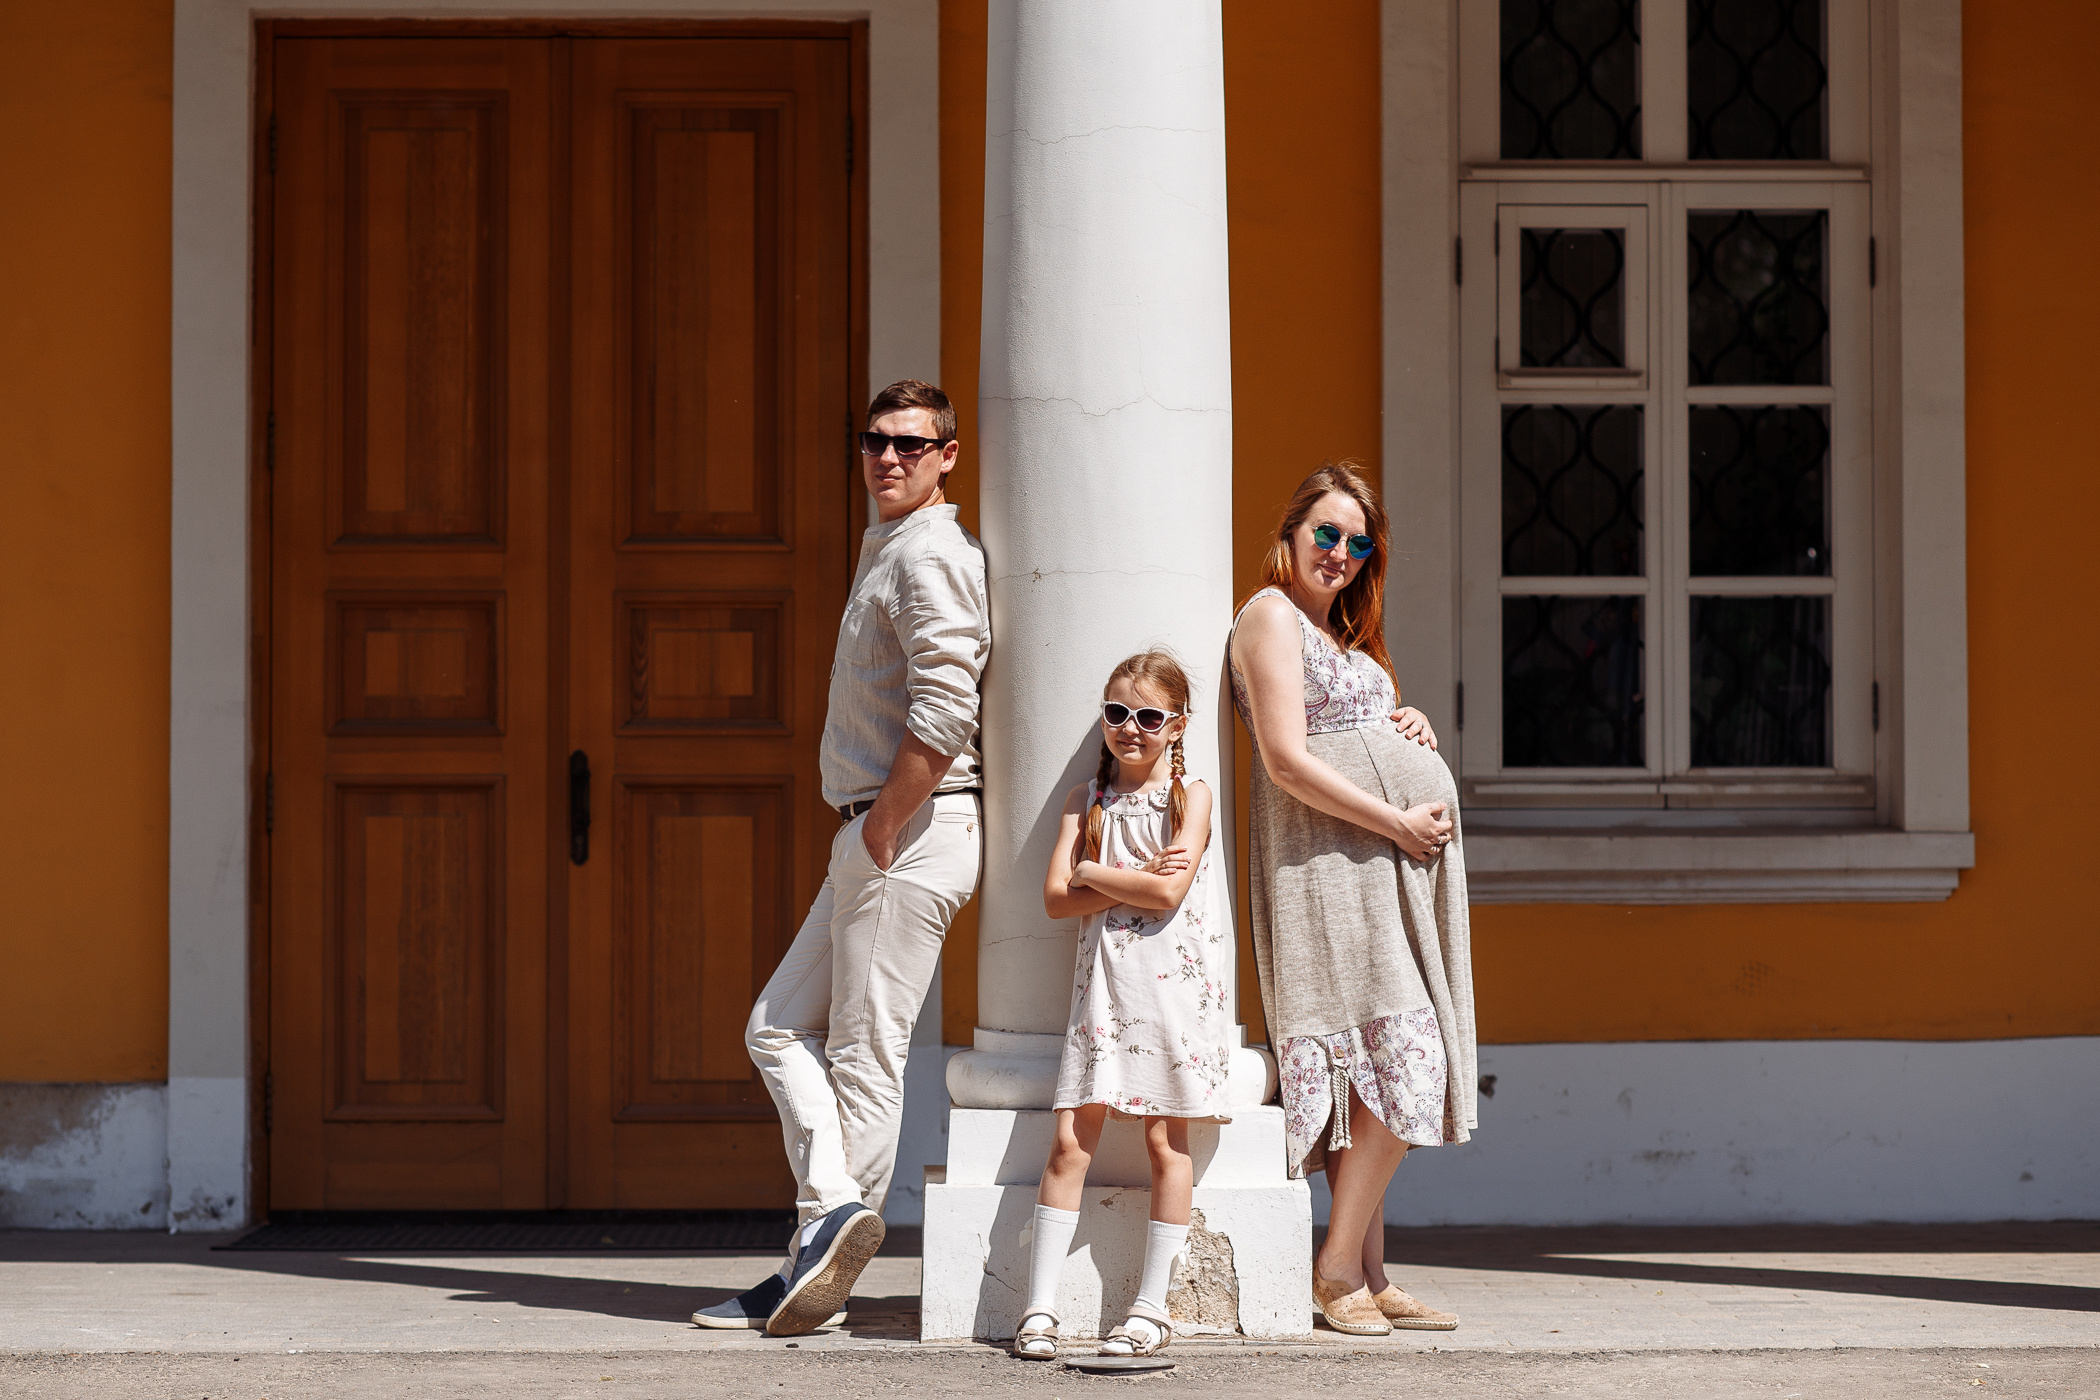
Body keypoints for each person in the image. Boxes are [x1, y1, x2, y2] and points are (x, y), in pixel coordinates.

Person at [693, 380, 989, 1336]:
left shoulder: (932, 553)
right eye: (875, 442)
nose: (889, 458)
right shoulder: (892, 548)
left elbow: (948, 706)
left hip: (909, 826)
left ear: (950, 454)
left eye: (912, 443)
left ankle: (815, 1267)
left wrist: (883, 828)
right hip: (881, 829)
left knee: (865, 1052)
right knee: (776, 1025)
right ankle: (828, 1225)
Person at [1227, 460, 1476, 1337]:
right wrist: (1398, 821)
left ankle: (1370, 1269)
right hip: (1327, 871)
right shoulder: (1268, 618)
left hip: (1379, 871)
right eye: (1324, 533)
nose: (1337, 552)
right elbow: (1288, 761)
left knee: (1378, 1066)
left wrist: (1406, 726)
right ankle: (1334, 1269)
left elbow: (1353, 732)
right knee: (1403, 1053)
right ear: (1291, 534)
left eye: (1356, 542)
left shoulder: (1343, 636)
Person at [1010, 651, 1230, 1362]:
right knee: (1071, 1141)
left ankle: (1151, 1308)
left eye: (1147, 716)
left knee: (1168, 1144)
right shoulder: (1085, 799)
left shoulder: (1189, 796)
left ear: (1176, 725)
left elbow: (1167, 895)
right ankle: (1039, 1308)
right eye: (1116, 713)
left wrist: (1096, 873)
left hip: (1171, 991)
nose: (1130, 728)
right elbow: (1053, 900)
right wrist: (1133, 876)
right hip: (1104, 989)